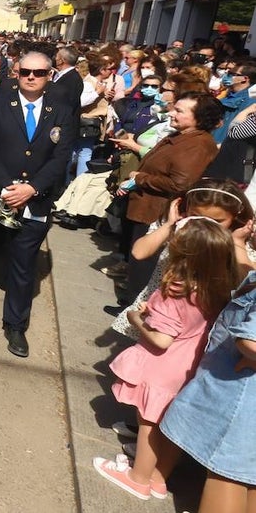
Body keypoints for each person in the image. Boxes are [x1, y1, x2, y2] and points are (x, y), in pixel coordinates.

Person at [94, 218, 244, 501]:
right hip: (190, 364)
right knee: (168, 424)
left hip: (162, 365)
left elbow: (162, 339)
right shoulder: (217, 288)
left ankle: (138, 478)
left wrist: (136, 318)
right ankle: (158, 479)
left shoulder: (176, 289)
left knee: (149, 423)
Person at [0, 51, 78, 358]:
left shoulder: (62, 110)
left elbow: (61, 156)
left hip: (36, 200)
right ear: (16, 73)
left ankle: (15, 323)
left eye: (38, 73)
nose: (31, 77)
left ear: (50, 75)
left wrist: (31, 188)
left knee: (24, 263)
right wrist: (7, 187)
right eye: (25, 71)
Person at [159, 265, 256, 512]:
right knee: (249, 477)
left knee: (227, 474)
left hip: (240, 403)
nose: (253, 225)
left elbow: (250, 340)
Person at [117, 92, 222, 304]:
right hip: (147, 207)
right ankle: (130, 304)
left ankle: (135, 310)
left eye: (180, 111)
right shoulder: (180, 136)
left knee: (146, 264)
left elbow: (180, 184)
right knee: (138, 261)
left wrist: (140, 178)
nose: (172, 113)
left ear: (199, 118)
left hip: (158, 211)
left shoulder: (198, 145)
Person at [114, 181, 255, 338]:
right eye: (196, 216)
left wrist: (237, 243)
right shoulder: (178, 226)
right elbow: (139, 252)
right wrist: (169, 224)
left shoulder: (238, 237)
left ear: (236, 217)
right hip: (162, 309)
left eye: (218, 221)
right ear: (186, 208)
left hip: (199, 321)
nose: (204, 224)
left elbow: (248, 280)